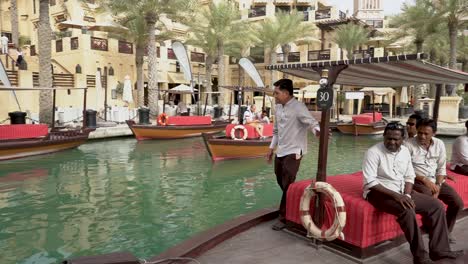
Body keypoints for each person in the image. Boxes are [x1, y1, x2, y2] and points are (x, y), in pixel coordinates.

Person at [363, 122, 463, 264]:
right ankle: (420, 257)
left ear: (402, 139)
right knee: (407, 210)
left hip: (402, 190)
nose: (392, 142)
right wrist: (398, 196)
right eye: (389, 138)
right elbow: (370, 182)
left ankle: (439, 251)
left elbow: (409, 176)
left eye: (396, 139)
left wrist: (407, 195)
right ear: (384, 136)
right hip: (379, 192)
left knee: (436, 205)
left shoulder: (404, 151)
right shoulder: (373, 152)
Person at [266, 78, 320, 230]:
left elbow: (311, 122)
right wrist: (271, 149)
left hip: (295, 150)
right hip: (281, 150)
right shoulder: (278, 108)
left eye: (276, 93)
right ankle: (296, 202)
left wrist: (318, 131)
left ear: (286, 93)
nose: (274, 96)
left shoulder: (298, 107)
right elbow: (276, 131)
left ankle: (283, 217)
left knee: (288, 183)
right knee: (281, 181)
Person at [404, 118, 463, 241]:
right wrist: (425, 180)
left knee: (457, 203)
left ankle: (446, 231)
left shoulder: (439, 144)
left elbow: (441, 167)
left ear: (434, 133)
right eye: (420, 132)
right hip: (416, 180)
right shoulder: (408, 144)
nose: (422, 136)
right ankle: (432, 230)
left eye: (426, 133)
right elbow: (406, 169)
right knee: (429, 197)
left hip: (436, 179)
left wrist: (438, 186)